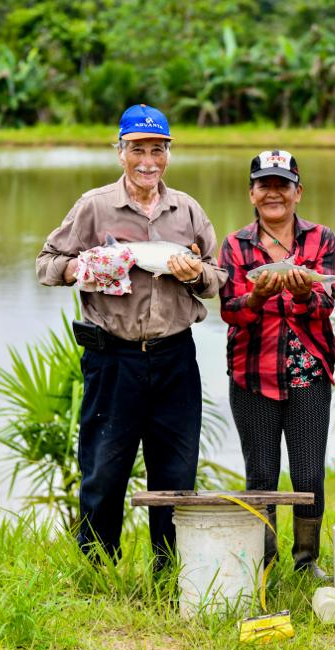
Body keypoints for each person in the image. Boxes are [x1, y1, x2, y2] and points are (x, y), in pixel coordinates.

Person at [36, 104, 226, 568]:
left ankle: (170, 574)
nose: (148, 161)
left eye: (157, 150)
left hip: (176, 360)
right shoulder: (94, 207)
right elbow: (45, 263)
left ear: (167, 154)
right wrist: (77, 267)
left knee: (176, 472)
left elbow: (219, 279)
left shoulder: (188, 210)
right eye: (137, 149)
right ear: (120, 151)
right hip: (112, 360)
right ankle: (97, 572)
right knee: (104, 471)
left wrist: (194, 274)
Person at [219, 150, 335, 579]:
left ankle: (307, 561)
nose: (274, 193)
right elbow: (230, 311)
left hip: (308, 371)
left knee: (309, 472)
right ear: (252, 193)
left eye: (282, 185)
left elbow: (326, 303)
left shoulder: (322, 238)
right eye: (264, 185)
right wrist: (256, 296)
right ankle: (263, 562)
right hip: (251, 373)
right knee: (261, 473)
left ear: (297, 192)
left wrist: (304, 293)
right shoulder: (235, 244)